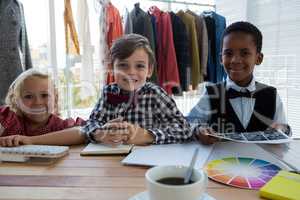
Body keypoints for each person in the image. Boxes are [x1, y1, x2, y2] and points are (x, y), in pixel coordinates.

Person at [0, 34, 191, 147]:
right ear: (112, 69)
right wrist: (100, 132)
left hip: (150, 160)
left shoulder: (156, 95)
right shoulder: (110, 93)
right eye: (123, 66)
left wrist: (146, 135)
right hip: (112, 159)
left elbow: (184, 128)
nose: (131, 72)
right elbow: (90, 124)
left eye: (139, 66)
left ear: (149, 70)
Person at [187, 21, 290, 145]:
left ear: (259, 58)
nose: (235, 60)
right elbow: (190, 122)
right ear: (221, 58)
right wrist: (199, 130)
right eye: (229, 53)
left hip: (260, 162)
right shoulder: (211, 93)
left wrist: (282, 129)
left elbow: (284, 129)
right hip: (221, 162)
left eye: (245, 53)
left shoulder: (271, 94)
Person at [0, 69, 84, 146]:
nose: (37, 103)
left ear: (55, 98)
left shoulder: (58, 126)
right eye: (28, 96)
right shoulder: (8, 118)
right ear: (16, 101)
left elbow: (82, 132)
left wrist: (30, 140)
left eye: (44, 95)